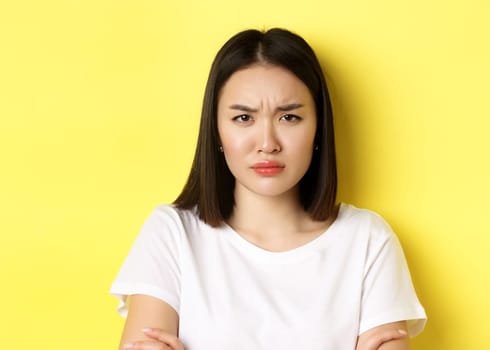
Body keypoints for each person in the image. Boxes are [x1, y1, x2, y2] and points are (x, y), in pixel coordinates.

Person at [110, 28, 426, 350]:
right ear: (216, 129)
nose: (267, 144)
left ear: (318, 128)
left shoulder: (368, 241)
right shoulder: (172, 234)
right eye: (244, 117)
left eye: (289, 117)